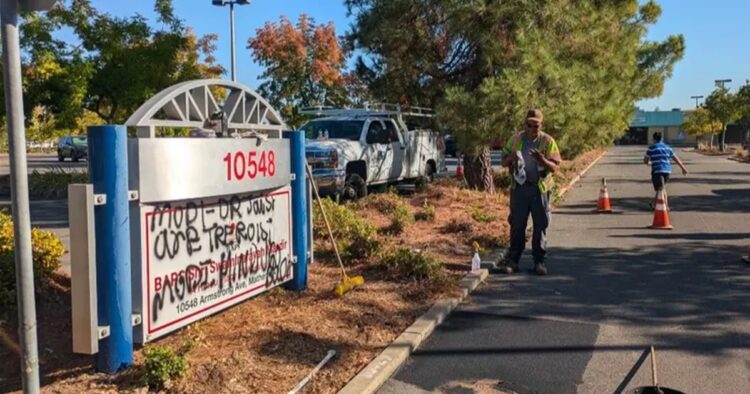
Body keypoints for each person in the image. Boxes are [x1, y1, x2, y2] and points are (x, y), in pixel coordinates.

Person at [499, 109, 562, 275]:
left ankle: (539, 261)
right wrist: (510, 158)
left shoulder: (548, 141)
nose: (532, 128)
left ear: (541, 125)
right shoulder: (515, 139)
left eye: (536, 125)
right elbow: (503, 161)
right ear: (525, 124)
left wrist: (542, 160)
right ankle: (513, 260)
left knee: (540, 225)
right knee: (517, 225)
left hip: (540, 189)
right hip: (519, 189)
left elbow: (555, 167)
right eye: (529, 124)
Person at [644, 132, 688, 209]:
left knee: (661, 188)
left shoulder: (651, 148)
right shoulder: (668, 148)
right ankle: (654, 203)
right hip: (667, 171)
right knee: (661, 188)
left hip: (657, 171)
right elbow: (675, 159)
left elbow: (645, 160)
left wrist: (650, 162)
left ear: (654, 139)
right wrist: (683, 168)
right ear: (662, 139)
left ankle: (666, 207)